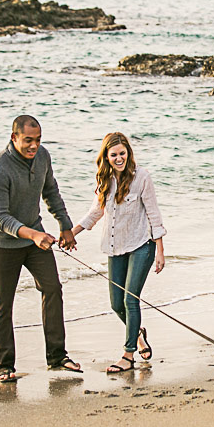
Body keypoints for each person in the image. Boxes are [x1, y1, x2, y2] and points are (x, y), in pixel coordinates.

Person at [0, 115, 82, 383]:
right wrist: (33, 234)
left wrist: (65, 225)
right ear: (14, 137)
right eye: (28, 140)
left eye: (38, 140)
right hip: (4, 243)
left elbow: (51, 191)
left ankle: (57, 357)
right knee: (2, 303)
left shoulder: (43, 157)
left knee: (52, 289)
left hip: (35, 237)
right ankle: (4, 366)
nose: (34, 146)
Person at [71, 132, 166, 373]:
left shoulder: (142, 177)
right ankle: (138, 335)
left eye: (122, 153)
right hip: (115, 247)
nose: (119, 158)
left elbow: (154, 215)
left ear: (128, 153)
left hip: (142, 245)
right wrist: (71, 233)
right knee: (116, 304)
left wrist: (160, 251)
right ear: (106, 156)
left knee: (129, 299)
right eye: (113, 155)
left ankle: (128, 355)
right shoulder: (105, 180)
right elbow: (95, 212)